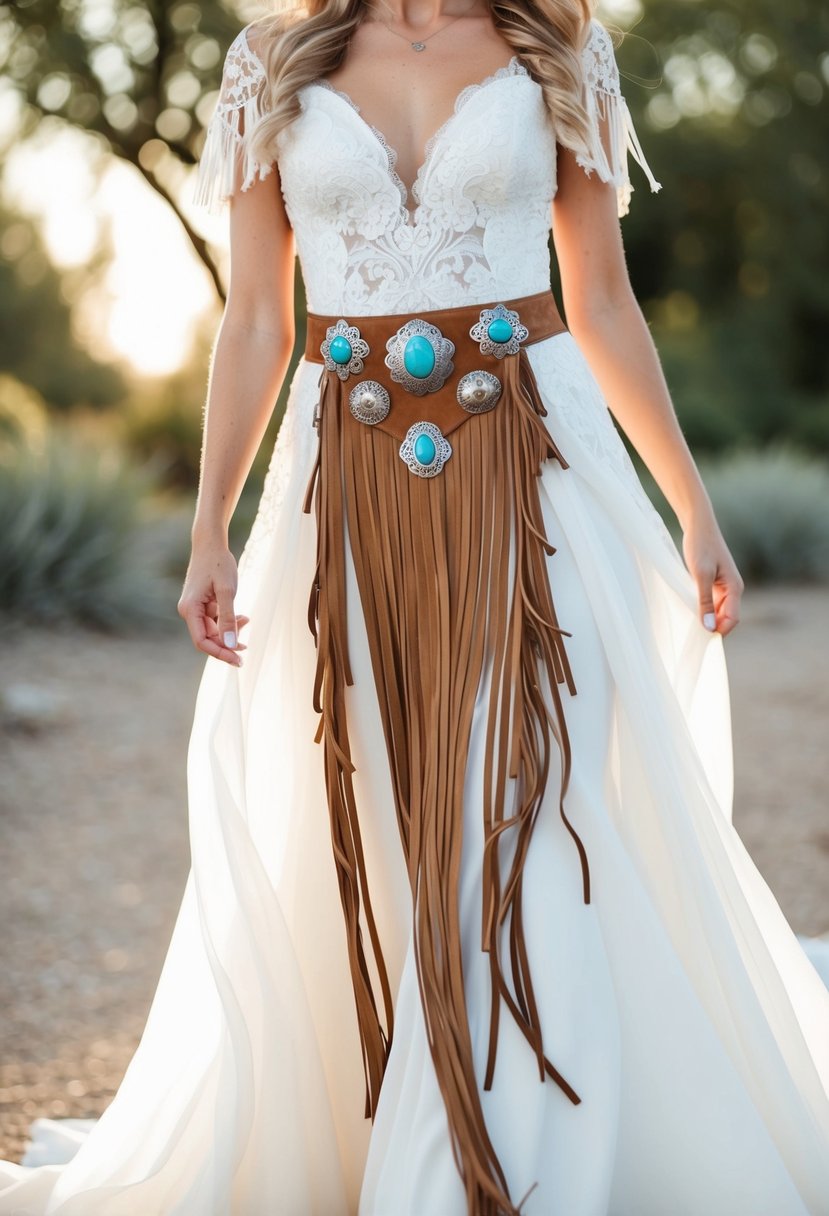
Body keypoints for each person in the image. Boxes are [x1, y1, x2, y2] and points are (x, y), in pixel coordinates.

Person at [2, 1, 829, 1212]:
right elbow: (254, 319)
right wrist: (209, 525)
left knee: (534, 791)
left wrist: (690, 506)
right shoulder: (268, 61)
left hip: (539, 471)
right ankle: (410, 1104)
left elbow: (599, 299)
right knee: (378, 806)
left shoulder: (559, 46)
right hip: (342, 481)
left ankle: (515, 1155)